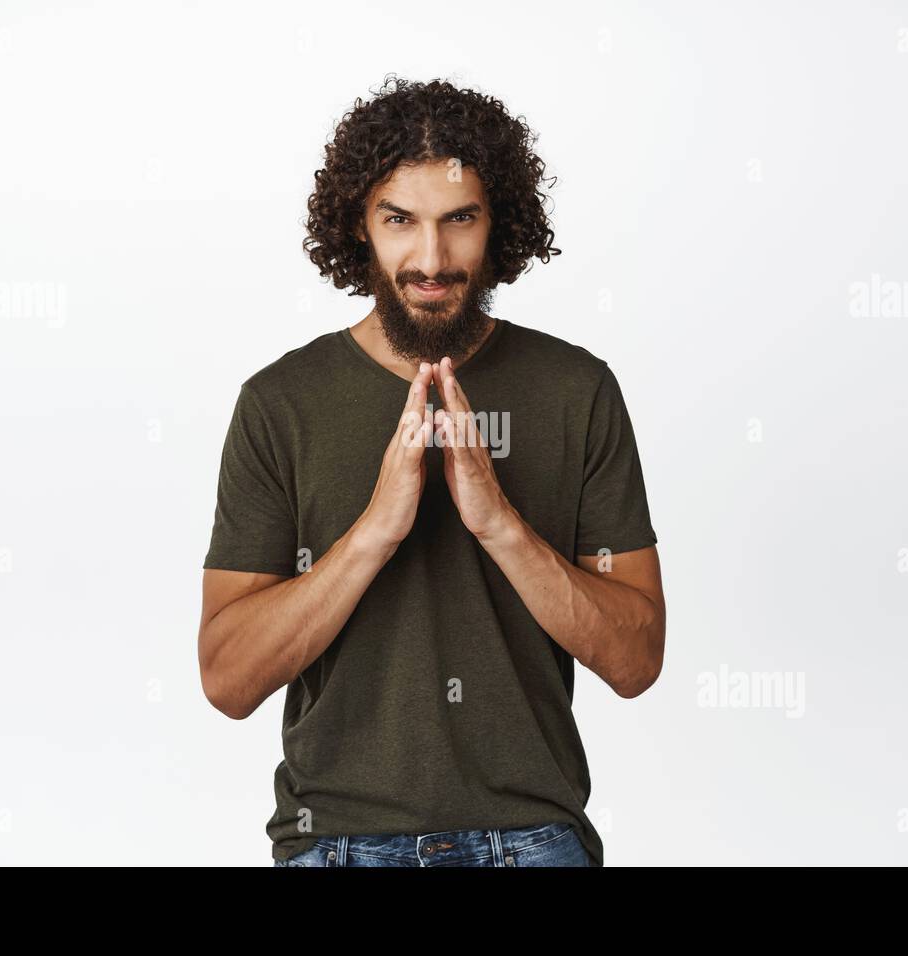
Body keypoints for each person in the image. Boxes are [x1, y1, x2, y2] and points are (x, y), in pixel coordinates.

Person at [198, 75, 664, 868]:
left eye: (460, 220)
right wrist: (376, 530)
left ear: (499, 223)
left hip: (535, 840)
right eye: (399, 222)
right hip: (334, 843)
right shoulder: (281, 404)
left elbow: (636, 659)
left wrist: (498, 524)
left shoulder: (575, 390)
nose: (431, 258)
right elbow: (228, 679)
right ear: (359, 228)